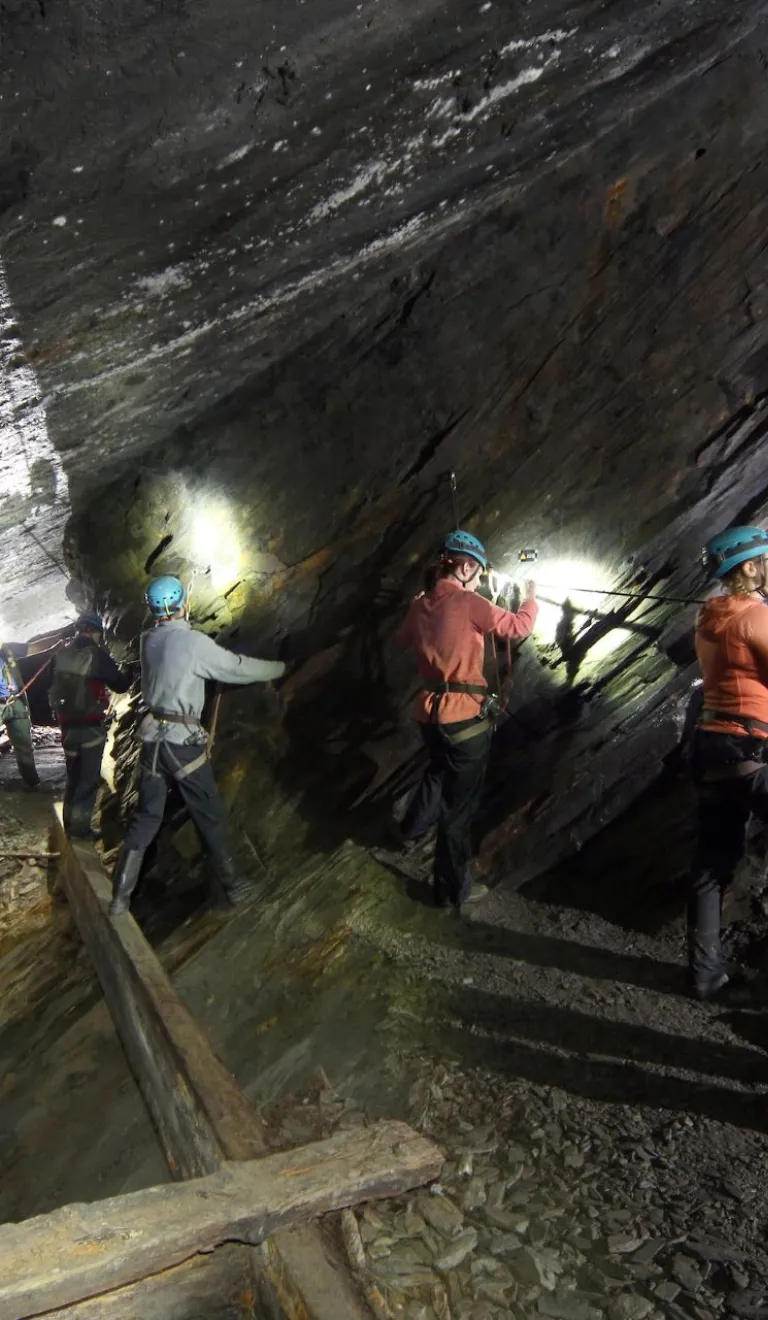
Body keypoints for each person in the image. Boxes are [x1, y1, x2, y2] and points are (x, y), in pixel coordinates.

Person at [109, 575, 286, 916]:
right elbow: (236, 668)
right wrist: (279, 668)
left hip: (152, 742)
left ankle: (119, 898)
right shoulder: (193, 643)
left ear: (152, 610)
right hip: (182, 744)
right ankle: (237, 886)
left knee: (146, 819)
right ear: (182, 605)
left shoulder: (148, 640)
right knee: (211, 816)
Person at [395, 530, 538, 911]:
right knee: (458, 812)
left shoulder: (419, 605)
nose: (480, 579)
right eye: (479, 571)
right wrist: (530, 598)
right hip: (465, 722)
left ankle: (410, 830)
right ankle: (450, 892)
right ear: (465, 567)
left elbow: (403, 639)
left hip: (430, 716)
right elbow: (519, 627)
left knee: (438, 770)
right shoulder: (469, 602)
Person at [689, 524, 768, 999]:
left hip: (710, 747)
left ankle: (705, 975)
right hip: (751, 750)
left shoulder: (708, 613)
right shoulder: (755, 617)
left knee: (709, 866)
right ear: (752, 566)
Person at [49, 612, 131, 838]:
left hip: (67, 728)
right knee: (88, 780)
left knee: (73, 776)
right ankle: (80, 830)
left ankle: (68, 823)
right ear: (95, 631)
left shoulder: (61, 654)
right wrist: (126, 671)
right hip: (90, 728)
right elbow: (121, 686)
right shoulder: (97, 655)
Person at [0, 644, 39, 788]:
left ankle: (32, 782)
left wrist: (55, 645)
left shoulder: (6, 650)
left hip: (15, 701)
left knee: (24, 745)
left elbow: (32, 648)